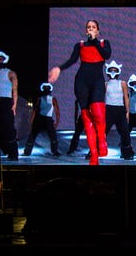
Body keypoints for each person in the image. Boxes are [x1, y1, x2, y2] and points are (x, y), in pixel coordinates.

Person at [48, 19, 111, 166]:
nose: (90, 29)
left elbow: (106, 55)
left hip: (97, 81)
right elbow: (72, 60)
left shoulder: (103, 43)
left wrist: (95, 41)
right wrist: (59, 68)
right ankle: (93, 154)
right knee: (86, 117)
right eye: (88, 27)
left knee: (98, 113)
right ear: (85, 30)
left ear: (98, 30)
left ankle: (101, 138)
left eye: (93, 27)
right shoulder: (80, 45)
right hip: (81, 82)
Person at [102, 60, 134, 160]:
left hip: (120, 109)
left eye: (114, 70)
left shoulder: (123, 83)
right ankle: (94, 151)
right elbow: (102, 99)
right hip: (108, 109)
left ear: (118, 71)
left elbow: (126, 98)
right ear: (107, 71)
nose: (112, 71)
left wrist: (128, 112)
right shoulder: (105, 84)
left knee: (125, 131)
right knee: (103, 131)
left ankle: (127, 153)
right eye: (110, 70)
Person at [23, 82, 61, 157]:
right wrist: (56, 122)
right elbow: (57, 113)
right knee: (51, 136)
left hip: (41, 120)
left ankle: (27, 151)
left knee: (34, 136)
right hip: (44, 120)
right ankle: (55, 151)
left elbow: (34, 111)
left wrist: (31, 121)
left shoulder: (42, 99)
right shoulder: (50, 99)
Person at [0, 50, 19, 161]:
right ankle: (4, 149)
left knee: (9, 128)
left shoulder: (10, 73)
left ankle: (13, 154)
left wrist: (14, 105)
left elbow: (15, 90)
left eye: (0, 58)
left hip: (6, 101)